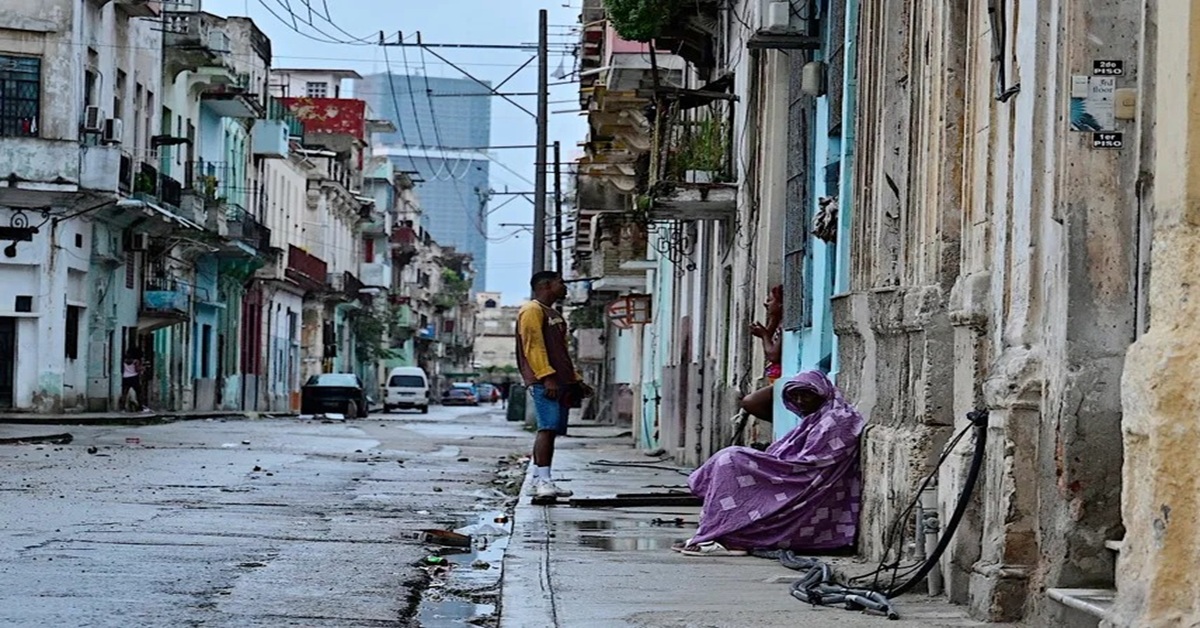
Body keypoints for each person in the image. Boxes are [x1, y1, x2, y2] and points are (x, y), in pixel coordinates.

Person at [677, 370, 866, 556]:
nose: (800, 401)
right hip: (793, 471)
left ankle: (719, 535)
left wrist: (773, 467)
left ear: (822, 393)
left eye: (806, 396)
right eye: (795, 396)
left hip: (805, 478)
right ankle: (718, 533)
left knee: (731, 460)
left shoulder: (838, 418)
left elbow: (814, 462)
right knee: (729, 461)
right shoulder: (815, 419)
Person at [515, 270, 593, 500]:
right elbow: (533, 347)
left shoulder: (553, 314)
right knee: (547, 428)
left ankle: (540, 479)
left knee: (553, 430)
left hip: (560, 381)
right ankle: (543, 481)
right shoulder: (531, 311)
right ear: (546, 285)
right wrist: (546, 376)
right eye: (561, 283)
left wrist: (575, 379)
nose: (565, 286)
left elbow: (562, 352)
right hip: (545, 382)